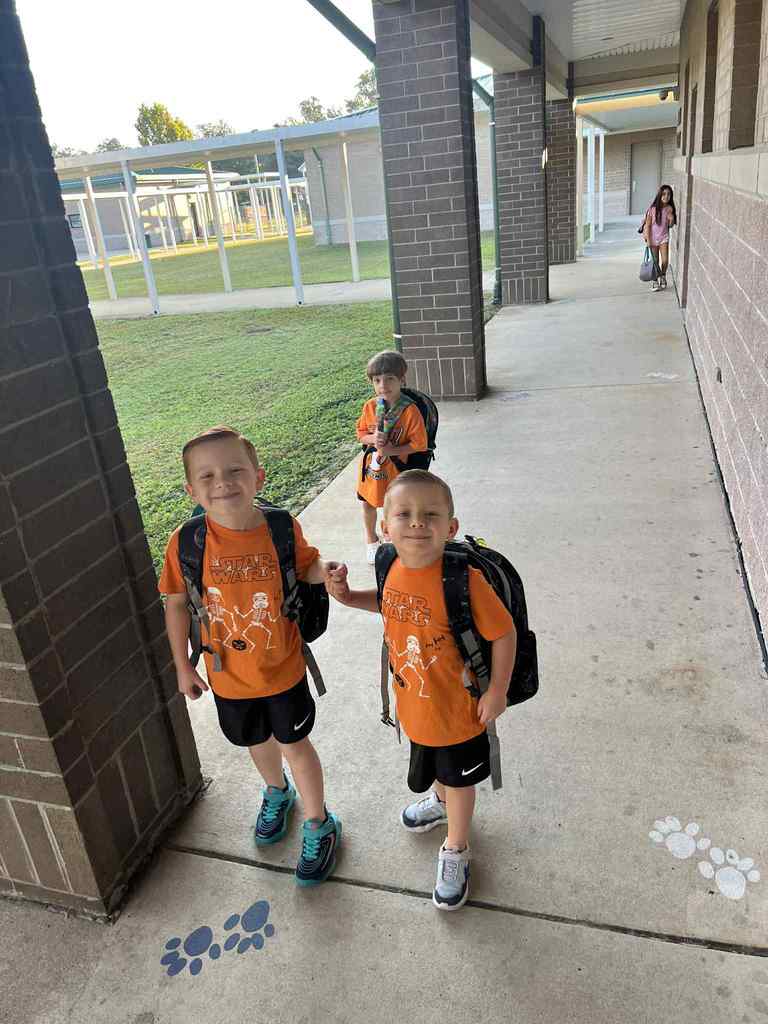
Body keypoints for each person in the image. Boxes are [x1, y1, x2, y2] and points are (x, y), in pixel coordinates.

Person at [158, 425, 341, 886]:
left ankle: (319, 822)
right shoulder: (186, 543)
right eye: (208, 476)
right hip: (227, 677)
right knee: (256, 740)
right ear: (191, 489)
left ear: (258, 477)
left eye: (235, 470)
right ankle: (277, 793)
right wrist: (183, 666)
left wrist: (327, 572)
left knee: (295, 744)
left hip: (283, 668)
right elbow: (177, 603)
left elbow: (306, 565)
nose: (223, 482)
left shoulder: (280, 527)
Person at [327, 470, 517, 910]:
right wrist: (347, 596)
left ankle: (456, 846)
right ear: (384, 526)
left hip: (460, 711)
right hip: (414, 703)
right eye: (405, 514)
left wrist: (498, 692)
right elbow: (386, 602)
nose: (417, 523)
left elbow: (504, 634)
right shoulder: (390, 565)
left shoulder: (463, 581)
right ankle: (440, 799)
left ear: (450, 527)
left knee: (459, 776)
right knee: (433, 763)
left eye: (430, 514)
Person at [356, 350, 428, 565]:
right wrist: (372, 439)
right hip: (372, 468)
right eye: (377, 380)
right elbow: (360, 434)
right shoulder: (370, 407)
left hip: (398, 469)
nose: (383, 385)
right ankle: (371, 539)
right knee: (368, 502)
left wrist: (390, 451)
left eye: (389, 379)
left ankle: (392, 535)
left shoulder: (410, 411)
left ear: (401, 380)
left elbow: (420, 444)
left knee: (396, 505)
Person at [643, 184, 677, 292]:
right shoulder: (652, 209)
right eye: (664, 194)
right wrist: (648, 240)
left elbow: (670, 226)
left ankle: (663, 276)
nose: (666, 196)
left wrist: (671, 219)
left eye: (669, 194)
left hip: (663, 238)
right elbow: (647, 226)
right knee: (655, 261)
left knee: (665, 261)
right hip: (652, 239)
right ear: (659, 195)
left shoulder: (669, 208)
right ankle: (655, 281)